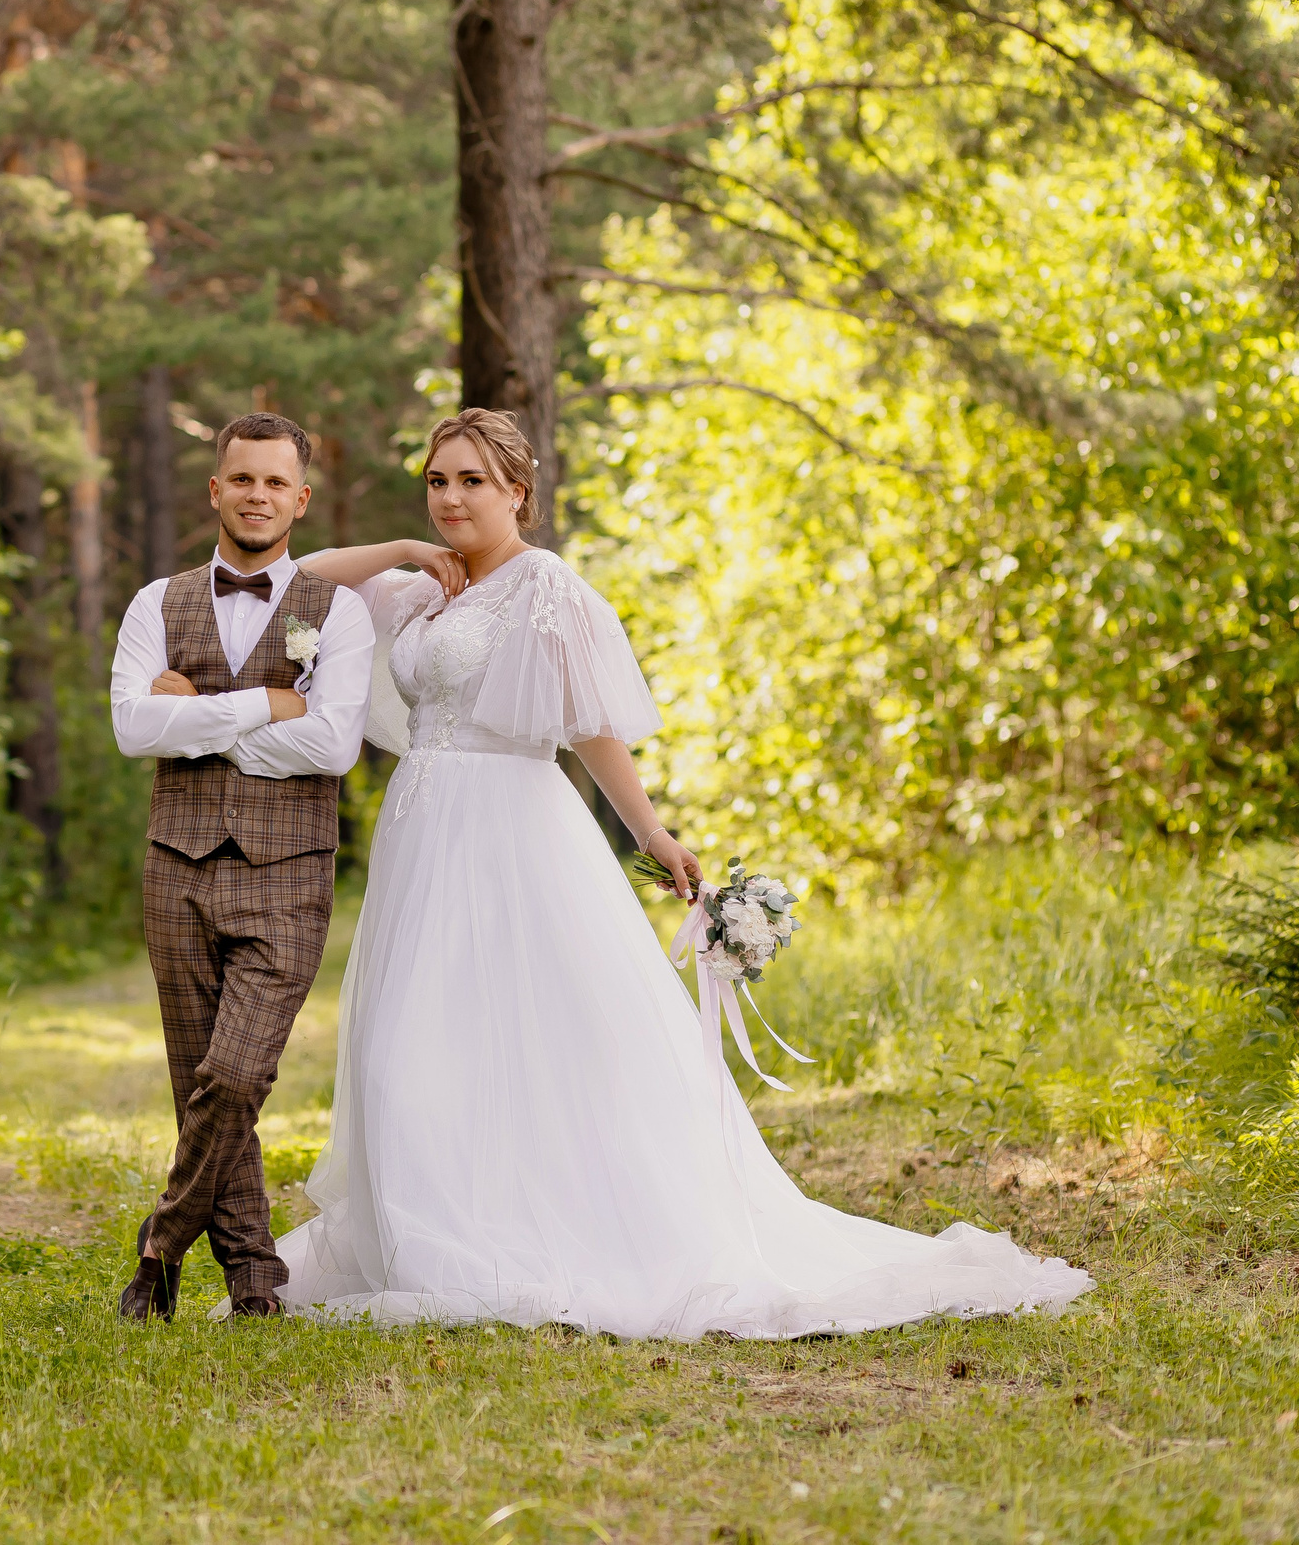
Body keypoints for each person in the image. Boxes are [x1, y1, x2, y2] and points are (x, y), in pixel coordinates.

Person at [265, 407, 1091, 1338]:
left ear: (518, 495)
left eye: (472, 482)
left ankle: (530, 1231)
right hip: (422, 838)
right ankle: (428, 1228)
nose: (452, 497)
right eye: (438, 481)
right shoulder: (417, 593)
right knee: (411, 1041)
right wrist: (411, 546)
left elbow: (589, 726)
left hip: (512, 831)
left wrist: (653, 835)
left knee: (541, 1032)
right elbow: (295, 580)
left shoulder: (548, 588)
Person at [108, 412, 443, 1321]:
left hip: (288, 871)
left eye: (274, 483)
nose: (257, 496)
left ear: (301, 498)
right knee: (197, 1077)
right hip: (174, 869)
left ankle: (160, 1241)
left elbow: (333, 744)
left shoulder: (337, 611)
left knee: (239, 1073)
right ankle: (255, 1280)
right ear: (216, 489)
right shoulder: (155, 602)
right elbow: (133, 727)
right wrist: (263, 703)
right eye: (241, 479)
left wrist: (199, 720)